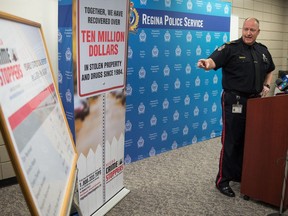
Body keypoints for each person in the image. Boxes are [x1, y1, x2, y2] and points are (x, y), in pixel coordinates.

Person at [197, 17, 275, 197]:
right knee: (231, 141)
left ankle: (239, 174)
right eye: (246, 29)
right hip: (235, 101)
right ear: (242, 29)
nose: (248, 33)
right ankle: (222, 180)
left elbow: (270, 69)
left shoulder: (262, 51)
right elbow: (212, 61)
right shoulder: (231, 48)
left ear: (258, 32)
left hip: (255, 103)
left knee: (248, 141)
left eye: (252, 30)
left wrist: (266, 86)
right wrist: (206, 64)